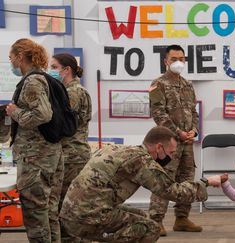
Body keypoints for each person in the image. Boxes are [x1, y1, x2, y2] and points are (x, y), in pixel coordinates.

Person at [59, 126, 221, 243]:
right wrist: (206, 182)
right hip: (86, 219)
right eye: (170, 152)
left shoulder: (116, 149)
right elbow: (173, 191)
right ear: (158, 147)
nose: (171, 157)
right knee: (152, 228)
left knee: (142, 216)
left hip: (68, 215)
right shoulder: (141, 161)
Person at [6, 38, 64, 242]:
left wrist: (15, 113)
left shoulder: (32, 81)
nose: (10, 61)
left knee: (36, 217)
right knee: (48, 214)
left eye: (11, 57)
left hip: (36, 159)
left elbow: (42, 115)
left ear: (20, 56)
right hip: (49, 154)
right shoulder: (44, 78)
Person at [149, 44, 200, 235]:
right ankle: (155, 221)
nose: (178, 62)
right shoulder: (158, 84)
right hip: (167, 143)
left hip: (187, 143)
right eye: (174, 59)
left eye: (182, 59)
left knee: (187, 180)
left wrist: (194, 130)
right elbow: (158, 113)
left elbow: (194, 112)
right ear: (165, 61)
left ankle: (182, 219)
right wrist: (177, 132)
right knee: (163, 180)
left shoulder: (188, 85)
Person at [49, 53, 92, 242]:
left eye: (53, 67)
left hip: (72, 156)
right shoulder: (68, 90)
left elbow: (64, 125)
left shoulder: (72, 92)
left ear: (66, 70)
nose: (50, 71)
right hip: (71, 154)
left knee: (68, 207)